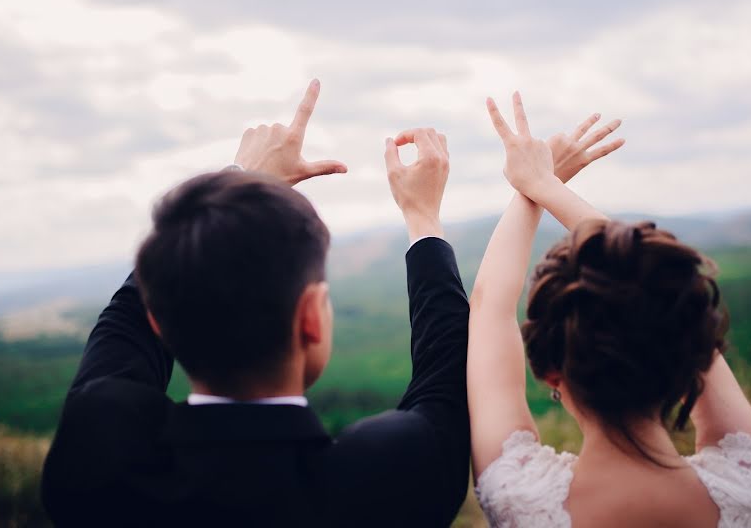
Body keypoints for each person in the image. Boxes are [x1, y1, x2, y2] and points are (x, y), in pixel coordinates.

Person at [41, 80, 471, 527]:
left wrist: (240, 178)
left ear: (159, 323)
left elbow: (122, 329)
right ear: (311, 318)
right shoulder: (387, 478)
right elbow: (448, 372)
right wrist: (422, 216)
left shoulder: (97, 466)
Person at [467, 92, 751, 527]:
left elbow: (489, 307)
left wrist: (535, 188)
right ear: (694, 359)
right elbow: (669, 293)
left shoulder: (519, 499)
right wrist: (545, 185)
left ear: (550, 373)